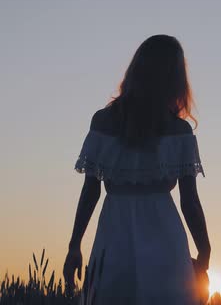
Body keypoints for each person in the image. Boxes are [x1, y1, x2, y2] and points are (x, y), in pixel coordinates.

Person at [63, 34, 211, 305]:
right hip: (164, 232)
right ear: (175, 79)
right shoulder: (179, 131)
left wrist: (75, 244)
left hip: (113, 231)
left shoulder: (103, 121)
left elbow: (90, 191)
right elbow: (189, 201)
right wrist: (204, 250)